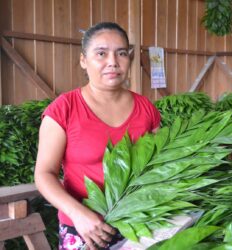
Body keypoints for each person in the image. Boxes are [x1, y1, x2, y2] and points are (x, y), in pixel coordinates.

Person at [34, 22, 161, 250]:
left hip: (138, 226)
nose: (112, 62)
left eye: (121, 53)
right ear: (84, 60)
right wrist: (78, 214)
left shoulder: (146, 108)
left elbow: (159, 166)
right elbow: (44, 174)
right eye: (101, 53)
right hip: (84, 231)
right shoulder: (64, 109)